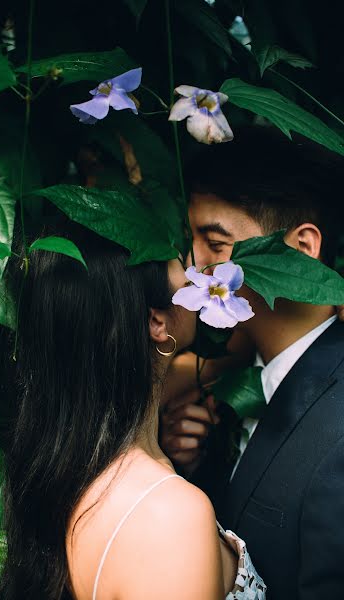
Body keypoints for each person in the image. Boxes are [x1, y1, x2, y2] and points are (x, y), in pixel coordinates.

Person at [0, 219, 266, 600]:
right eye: (180, 262)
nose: (197, 267)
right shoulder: (168, 518)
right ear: (157, 320)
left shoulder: (65, 475)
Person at [161, 126, 344, 599]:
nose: (190, 268)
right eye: (192, 241)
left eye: (215, 244)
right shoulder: (246, 382)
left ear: (301, 249)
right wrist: (194, 466)